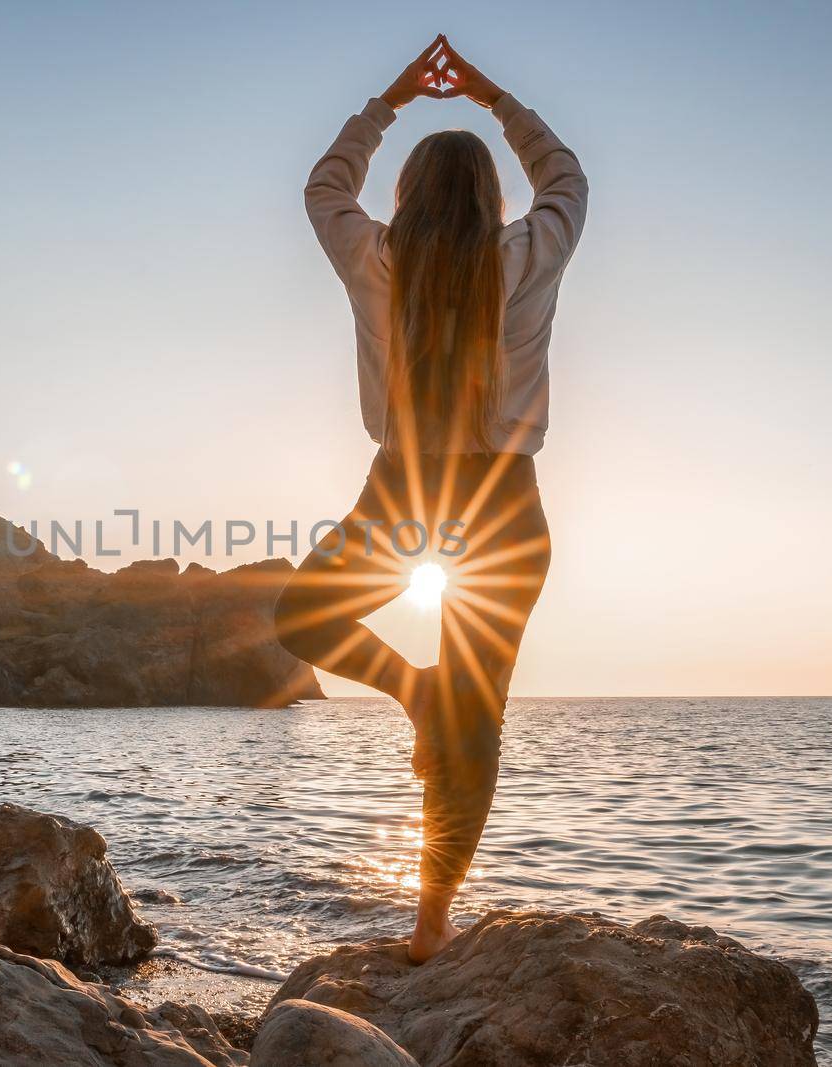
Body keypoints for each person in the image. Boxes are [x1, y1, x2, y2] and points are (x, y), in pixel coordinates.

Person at [273, 35, 587, 963]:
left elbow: (323, 188)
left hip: (405, 489)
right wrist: (491, 97)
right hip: (504, 504)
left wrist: (392, 99)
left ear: (405, 199)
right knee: (473, 716)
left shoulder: (378, 260)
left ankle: (418, 700)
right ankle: (430, 918)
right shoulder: (528, 252)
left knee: (306, 618)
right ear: (493, 199)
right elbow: (564, 175)